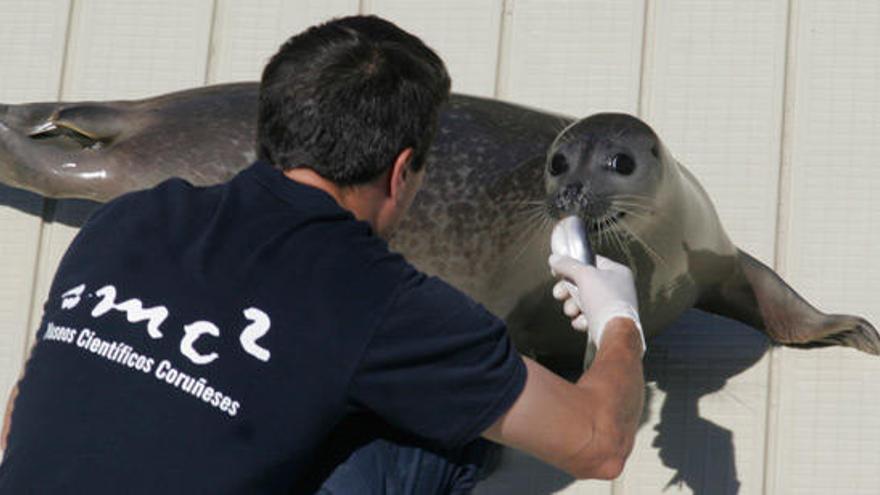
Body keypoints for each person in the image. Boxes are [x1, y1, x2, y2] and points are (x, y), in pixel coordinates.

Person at [0, 15, 645, 494]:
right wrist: (619, 322)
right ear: (402, 174)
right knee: (446, 438)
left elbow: (21, 410)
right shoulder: (382, 304)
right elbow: (598, 444)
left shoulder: (125, 219)